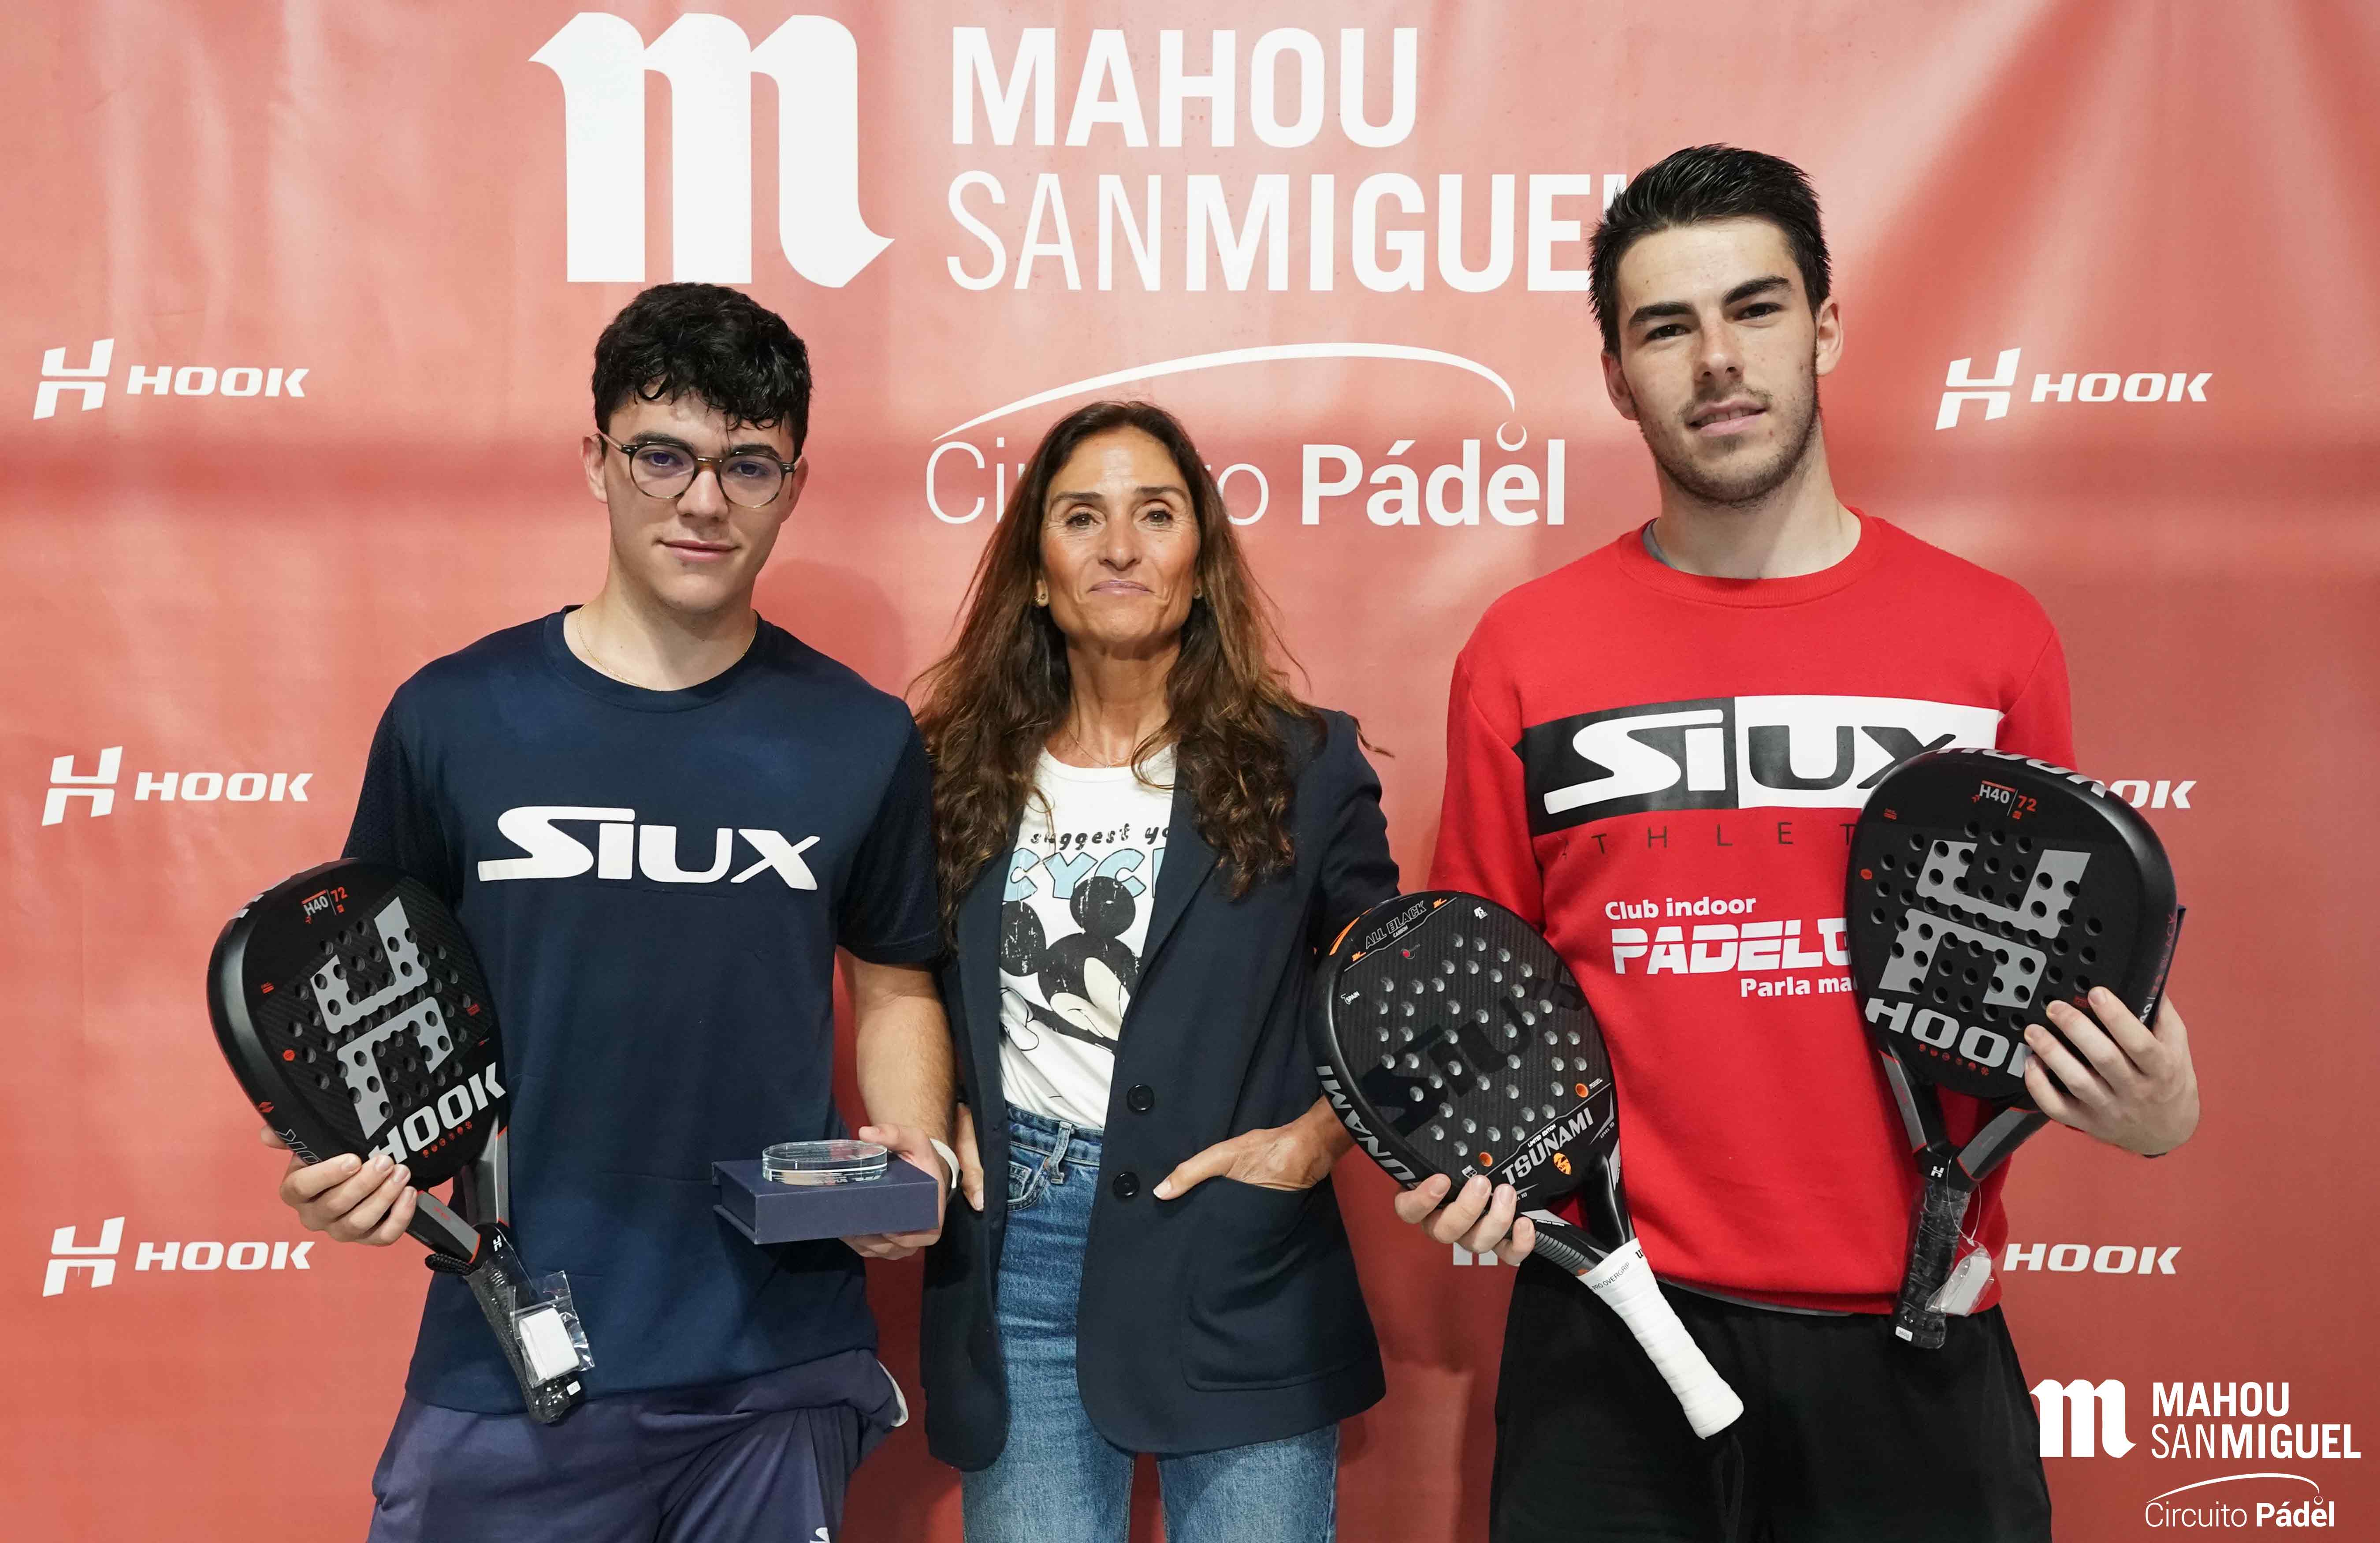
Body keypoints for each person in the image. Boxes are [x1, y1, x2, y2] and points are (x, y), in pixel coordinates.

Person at [1391, 147, 2202, 1542]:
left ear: (1824, 327)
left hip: (1913, 1342)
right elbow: (1483, 993)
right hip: (1611, 1333)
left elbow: (2056, 974)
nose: (1718, 359)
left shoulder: (1992, 640)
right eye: (1666, 327)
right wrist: (1467, 1167)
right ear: (1616, 374)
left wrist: (2155, 1100)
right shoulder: (1524, 653)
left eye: (1755, 308)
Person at [264, 282, 959, 1542]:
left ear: (793, 485)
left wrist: (911, 1153)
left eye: (749, 465)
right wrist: (343, 1172)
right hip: (510, 1343)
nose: (704, 501)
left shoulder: (862, 737)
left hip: (773, 1352)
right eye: (663, 455)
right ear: (597, 461)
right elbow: (362, 998)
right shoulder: (453, 717)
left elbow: (898, 980)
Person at [913, 401, 1394, 1543]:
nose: (1120, 547)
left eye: (1157, 515)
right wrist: (940, 1109)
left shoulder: (1305, 762)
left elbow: (1393, 989)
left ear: (1200, 557)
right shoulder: (948, 766)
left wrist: (1313, 1142)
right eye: (1082, 517)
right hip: (1018, 1257)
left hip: (1235, 1257)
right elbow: (904, 973)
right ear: (1038, 572)